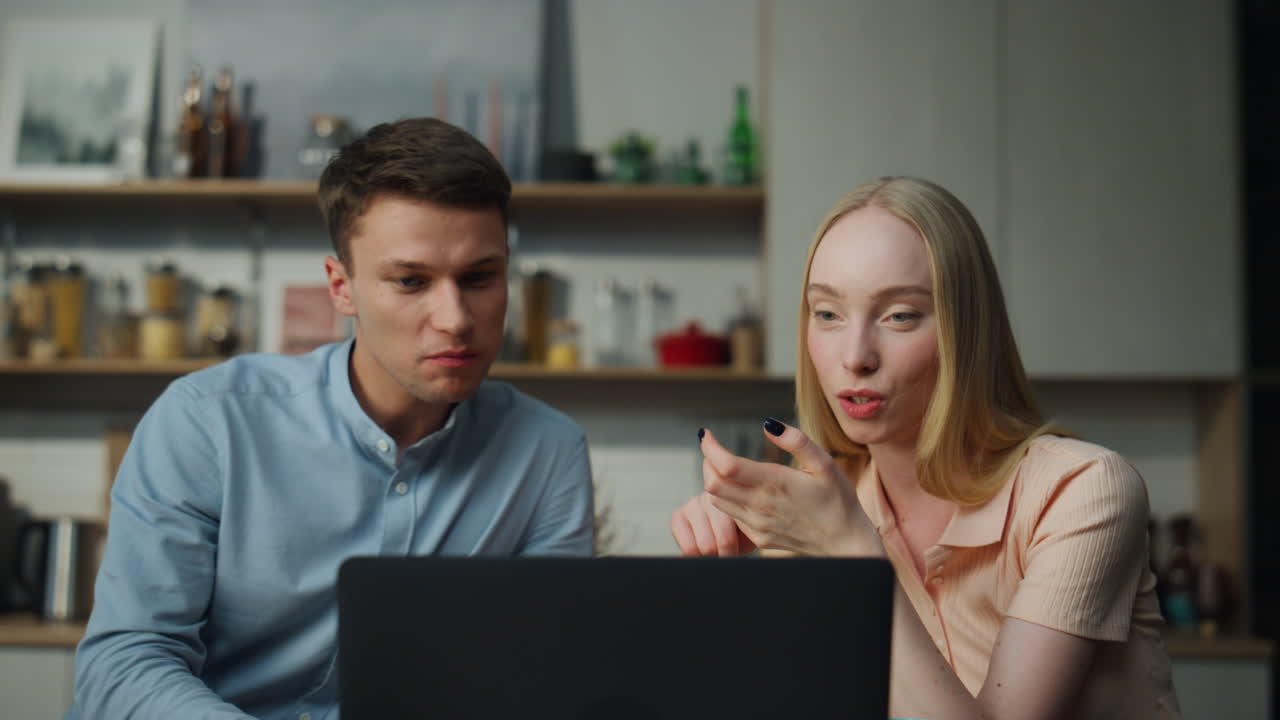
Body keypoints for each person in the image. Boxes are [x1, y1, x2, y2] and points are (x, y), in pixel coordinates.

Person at [69, 117, 595, 719]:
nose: (454, 318)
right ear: (341, 287)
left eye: (479, 277)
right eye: (410, 281)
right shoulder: (206, 423)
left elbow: (543, 675)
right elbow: (125, 665)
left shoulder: (547, 452)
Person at [671, 176, 1180, 719]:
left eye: (900, 316)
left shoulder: (1083, 491)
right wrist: (721, 584)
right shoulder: (825, 510)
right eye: (828, 314)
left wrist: (851, 551)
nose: (856, 356)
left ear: (967, 330)